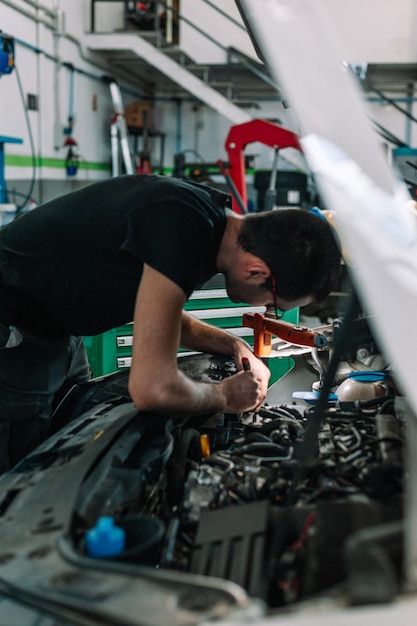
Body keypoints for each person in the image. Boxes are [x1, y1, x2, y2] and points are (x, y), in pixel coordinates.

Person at [0, 174, 340, 472]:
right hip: (14, 330)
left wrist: (233, 345)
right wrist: (224, 395)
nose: (269, 311)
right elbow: (153, 390)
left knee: (67, 437)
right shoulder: (182, 233)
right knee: (24, 473)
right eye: (274, 305)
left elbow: (157, 315)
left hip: (58, 329)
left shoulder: (207, 219)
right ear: (256, 272)